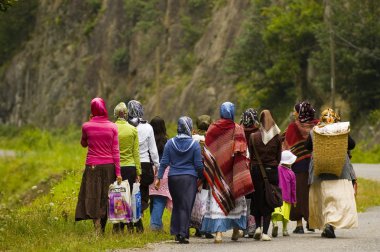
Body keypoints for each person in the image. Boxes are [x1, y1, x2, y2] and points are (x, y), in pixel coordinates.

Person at [201, 102, 249, 243]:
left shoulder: (212, 129)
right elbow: (243, 152)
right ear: (232, 113)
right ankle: (235, 231)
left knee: (218, 200)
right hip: (233, 174)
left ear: (221, 113)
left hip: (217, 174)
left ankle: (218, 235)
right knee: (236, 202)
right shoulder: (238, 129)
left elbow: (207, 151)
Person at [306, 108, 358, 238]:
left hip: (319, 171)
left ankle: (326, 225)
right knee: (338, 200)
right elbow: (352, 145)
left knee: (322, 199)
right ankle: (331, 225)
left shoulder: (315, 131)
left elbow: (308, 146)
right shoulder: (341, 129)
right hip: (339, 170)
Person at [75, 97, 122, 235]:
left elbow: (83, 144)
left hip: (93, 166)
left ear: (92, 110)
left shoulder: (86, 126)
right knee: (106, 196)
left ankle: (96, 227)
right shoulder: (113, 126)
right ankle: (102, 227)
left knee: (92, 195)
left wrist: (90, 121)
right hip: (109, 166)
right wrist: (118, 173)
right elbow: (116, 151)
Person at [154, 116, 203, 244]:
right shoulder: (194, 144)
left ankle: (177, 232)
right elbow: (198, 165)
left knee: (177, 205)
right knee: (186, 206)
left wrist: (158, 178)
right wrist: (202, 177)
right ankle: (182, 233)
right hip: (189, 179)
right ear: (190, 127)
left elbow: (164, 162)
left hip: (173, 178)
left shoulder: (170, 143)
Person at [283, 101, 319, 234]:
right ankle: (311, 222)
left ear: (300, 112)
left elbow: (287, 146)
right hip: (316, 164)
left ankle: (299, 225)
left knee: (298, 193)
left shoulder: (293, 127)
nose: (294, 113)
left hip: (298, 165)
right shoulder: (317, 125)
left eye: (296, 111)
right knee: (312, 193)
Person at [248, 109, 282, 241]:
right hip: (272, 170)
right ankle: (265, 232)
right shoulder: (277, 137)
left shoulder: (253, 136)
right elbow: (279, 157)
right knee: (268, 199)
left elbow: (251, 155)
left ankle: (257, 227)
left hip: (256, 171)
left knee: (257, 198)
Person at [127, 100, 160, 232]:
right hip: (145, 164)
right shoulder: (148, 127)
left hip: (129, 164)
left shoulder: (126, 126)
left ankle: (130, 220)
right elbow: (153, 150)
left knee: (129, 193)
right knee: (143, 194)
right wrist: (157, 165)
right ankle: (138, 217)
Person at [112, 102, 141, 233]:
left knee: (117, 194)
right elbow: (136, 153)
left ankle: (117, 225)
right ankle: (129, 224)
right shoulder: (133, 130)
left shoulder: (111, 128)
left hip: (115, 166)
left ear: (115, 114)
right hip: (130, 166)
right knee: (128, 195)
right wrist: (138, 171)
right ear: (126, 114)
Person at [191, 115, 214, 239]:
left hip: (193, 173)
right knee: (206, 199)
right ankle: (205, 227)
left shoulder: (191, 137)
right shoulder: (210, 138)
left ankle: (196, 227)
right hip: (207, 174)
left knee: (195, 200)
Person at [149, 116, 172, 231]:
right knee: (159, 199)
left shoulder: (148, 139)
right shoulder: (167, 142)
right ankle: (155, 226)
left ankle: (157, 224)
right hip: (162, 173)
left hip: (149, 171)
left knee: (153, 199)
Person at [240, 108, 260, 238]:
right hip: (256, 168)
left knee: (244, 198)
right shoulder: (259, 133)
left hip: (241, 169)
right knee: (254, 197)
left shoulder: (238, 131)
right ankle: (254, 225)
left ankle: (244, 227)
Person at [271, 150, 297, 237]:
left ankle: (274, 224)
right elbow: (293, 188)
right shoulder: (291, 173)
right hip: (287, 197)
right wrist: (294, 199)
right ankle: (285, 229)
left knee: (275, 212)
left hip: (276, 195)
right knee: (285, 215)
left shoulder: (277, 169)